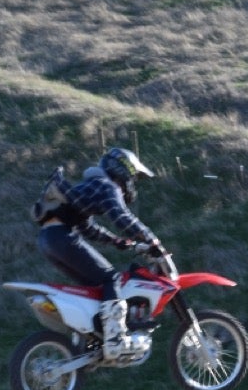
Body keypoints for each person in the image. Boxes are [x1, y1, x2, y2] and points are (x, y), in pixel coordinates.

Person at [31, 146, 168, 360]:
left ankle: (91, 339)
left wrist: (118, 241)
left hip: (48, 240)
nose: (132, 183)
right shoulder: (108, 186)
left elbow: (88, 228)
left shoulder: (91, 186)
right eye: (133, 178)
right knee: (112, 278)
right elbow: (121, 216)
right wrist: (151, 239)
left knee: (95, 289)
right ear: (123, 170)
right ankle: (115, 339)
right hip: (61, 237)